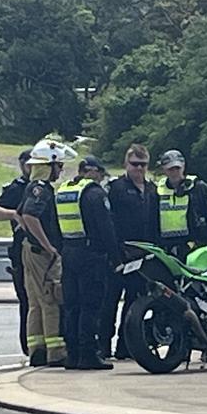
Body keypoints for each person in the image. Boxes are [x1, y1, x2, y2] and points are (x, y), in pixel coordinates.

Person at [57, 156, 121, 370]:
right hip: (91, 255)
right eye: (101, 174)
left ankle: (73, 354)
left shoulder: (65, 191)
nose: (102, 178)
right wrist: (115, 256)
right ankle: (88, 354)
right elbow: (106, 228)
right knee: (90, 305)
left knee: (72, 306)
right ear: (93, 171)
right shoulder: (94, 193)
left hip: (69, 252)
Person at [17, 139, 77, 367]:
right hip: (42, 255)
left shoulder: (32, 187)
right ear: (48, 165)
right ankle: (55, 352)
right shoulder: (41, 189)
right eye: (59, 166)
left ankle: (37, 349)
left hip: (30, 252)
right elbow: (30, 216)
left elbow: (22, 216)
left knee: (36, 303)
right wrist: (48, 246)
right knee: (50, 300)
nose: (60, 171)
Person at [101, 144, 159, 359]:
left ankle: (125, 347)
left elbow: (156, 224)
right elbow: (107, 222)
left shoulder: (152, 190)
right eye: (135, 164)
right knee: (109, 303)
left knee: (135, 304)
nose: (139, 169)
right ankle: (104, 346)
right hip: (119, 254)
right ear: (126, 164)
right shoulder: (115, 188)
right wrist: (113, 253)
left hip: (142, 256)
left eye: (143, 165)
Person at [0, 150, 32, 355]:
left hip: (39, 251)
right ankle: (28, 346)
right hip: (21, 252)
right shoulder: (17, 188)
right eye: (28, 164)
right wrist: (14, 214)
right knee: (27, 300)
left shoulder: (40, 187)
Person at [156, 149, 207, 260]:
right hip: (165, 246)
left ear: (184, 166)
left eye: (177, 168)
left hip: (192, 245)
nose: (175, 172)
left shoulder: (197, 188)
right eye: (171, 169)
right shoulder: (157, 190)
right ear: (164, 170)